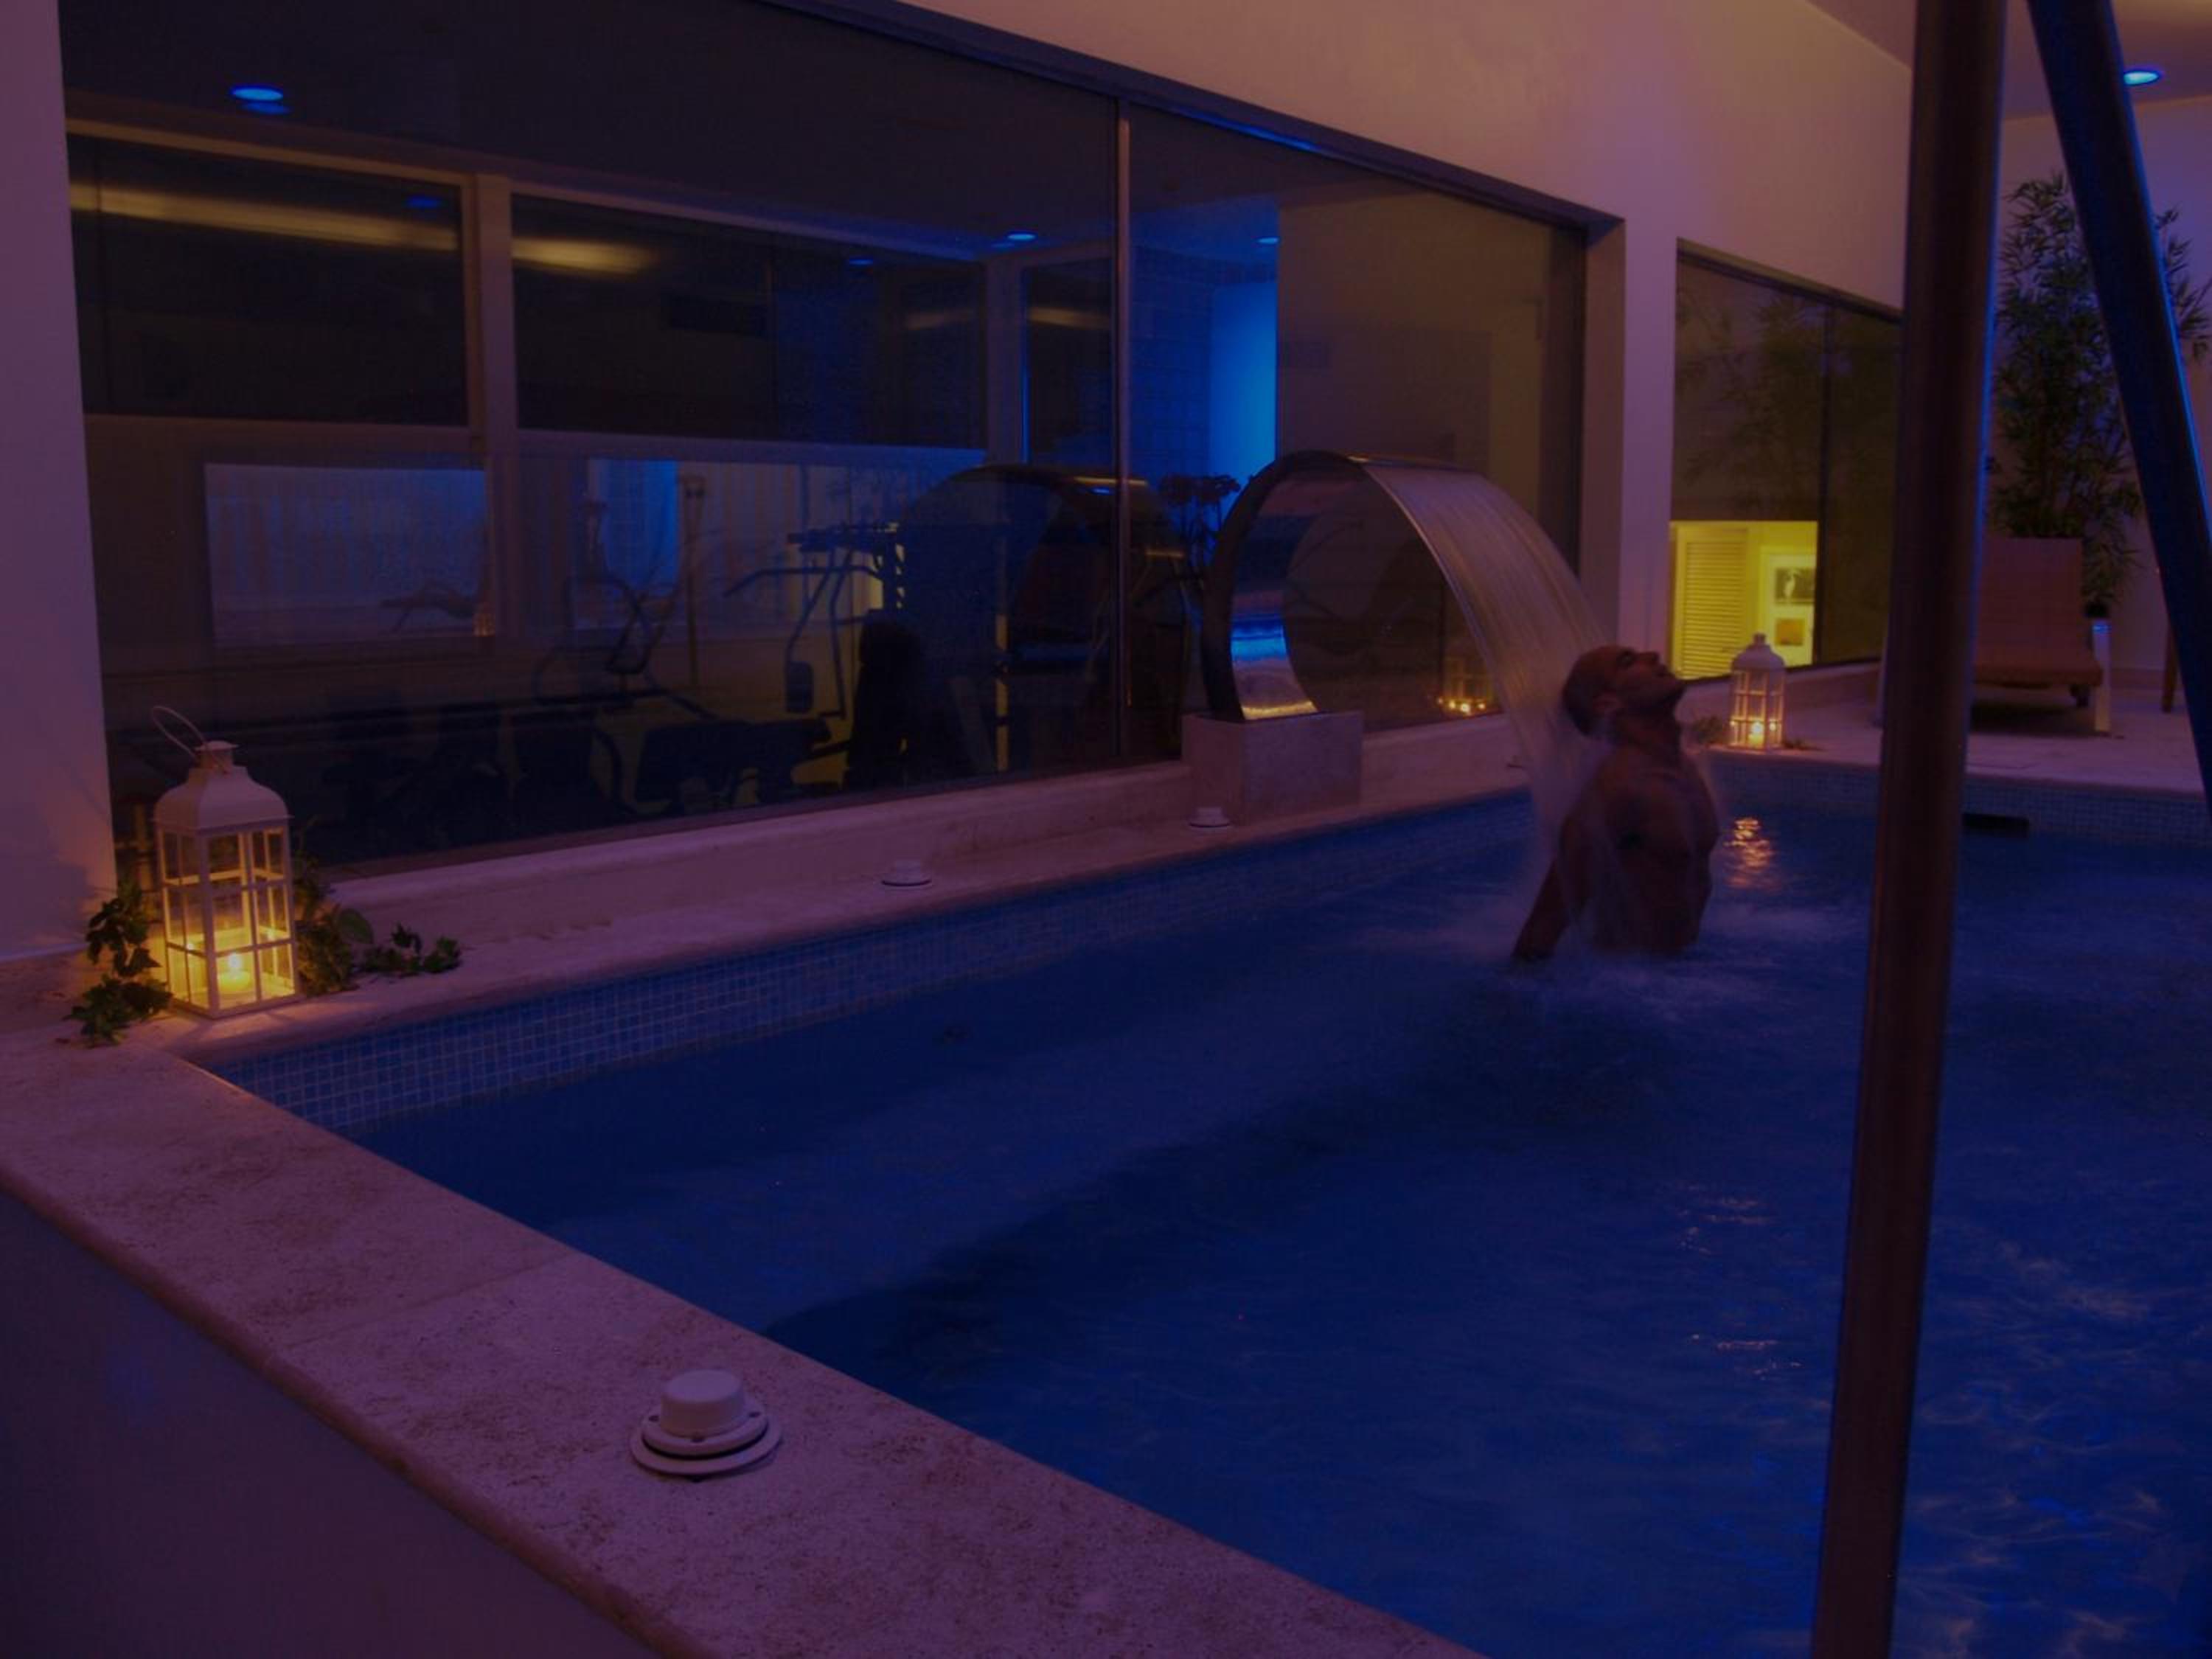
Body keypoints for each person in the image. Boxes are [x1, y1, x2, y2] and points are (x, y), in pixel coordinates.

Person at [1512, 644, 1719, 961]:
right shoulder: (1616, 791)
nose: (1652, 656)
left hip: (1679, 970)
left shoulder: (1683, 768)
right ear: (1607, 704)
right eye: (1628, 662)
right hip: (1634, 977)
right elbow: (1545, 925)